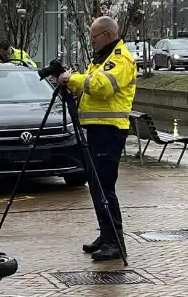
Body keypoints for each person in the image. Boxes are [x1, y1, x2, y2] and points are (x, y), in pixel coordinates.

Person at [58, 16, 136, 262]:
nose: (91, 42)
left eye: (94, 37)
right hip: (96, 129)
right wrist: (71, 83)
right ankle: (106, 234)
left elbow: (100, 87)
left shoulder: (120, 60)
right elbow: (88, 86)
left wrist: (72, 79)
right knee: (95, 185)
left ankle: (115, 242)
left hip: (110, 130)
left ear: (107, 35)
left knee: (105, 186)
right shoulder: (102, 59)